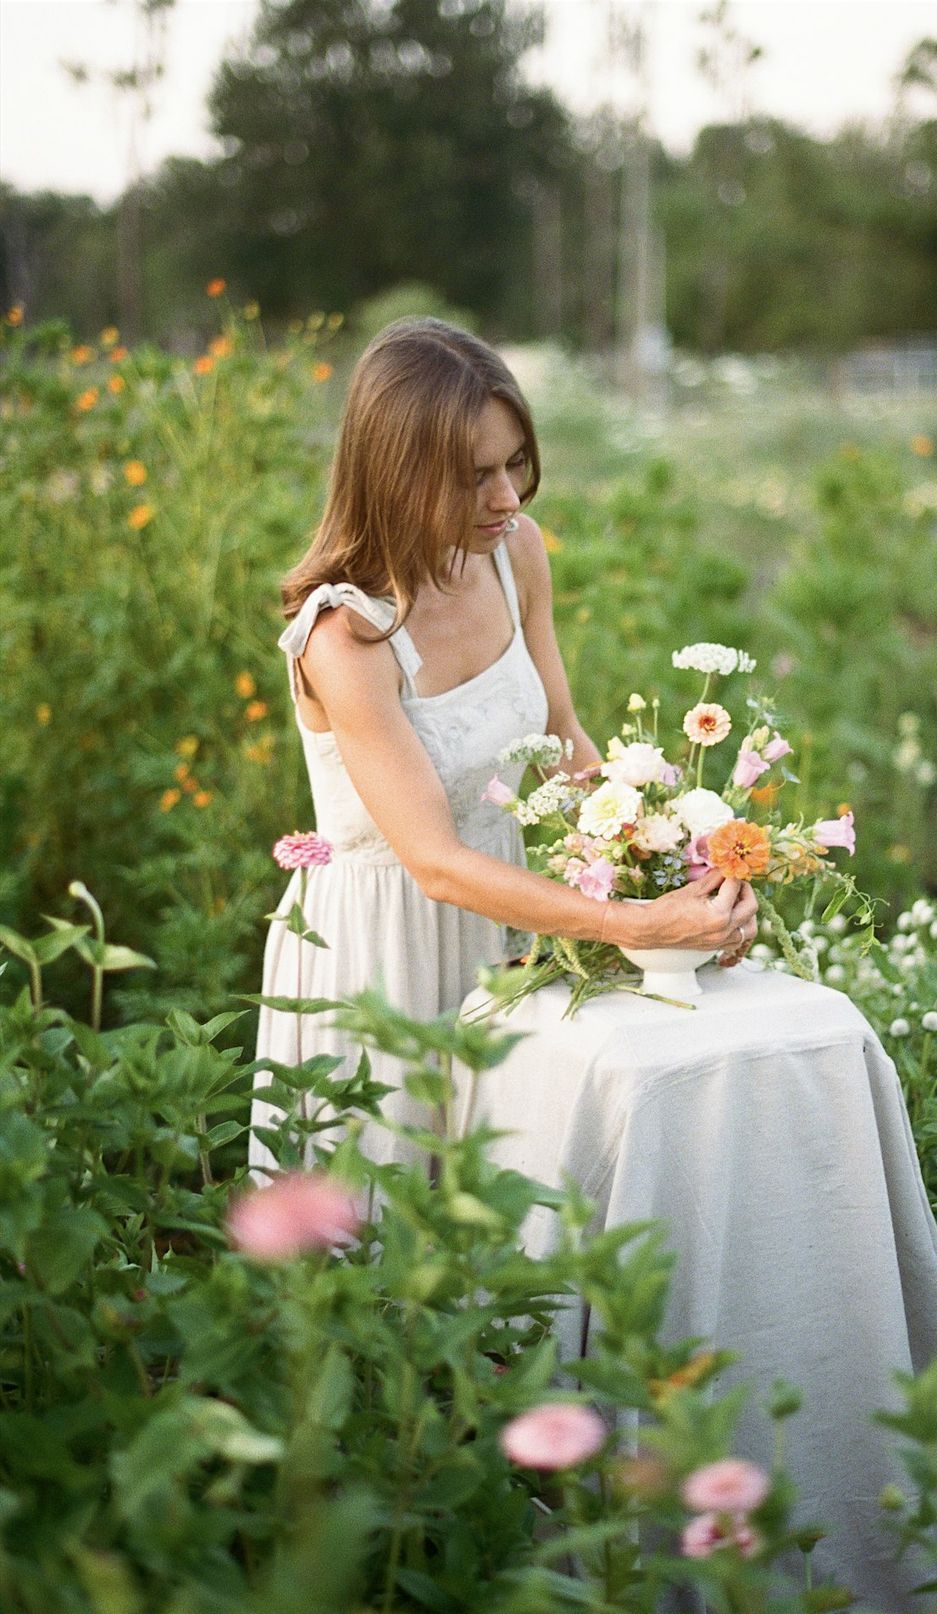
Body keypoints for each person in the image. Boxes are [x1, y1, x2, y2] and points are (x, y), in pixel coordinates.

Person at [250, 318, 758, 1175]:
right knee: (389, 1238)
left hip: (511, 931)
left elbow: (562, 740)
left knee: (500, 1229)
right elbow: (435, 863)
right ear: (398, 475)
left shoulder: (513, 555)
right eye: (473, 476)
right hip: (381, 953)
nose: (508, 499)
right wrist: (631, 922)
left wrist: (683, 866)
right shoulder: (346, 636)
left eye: (514, 463)